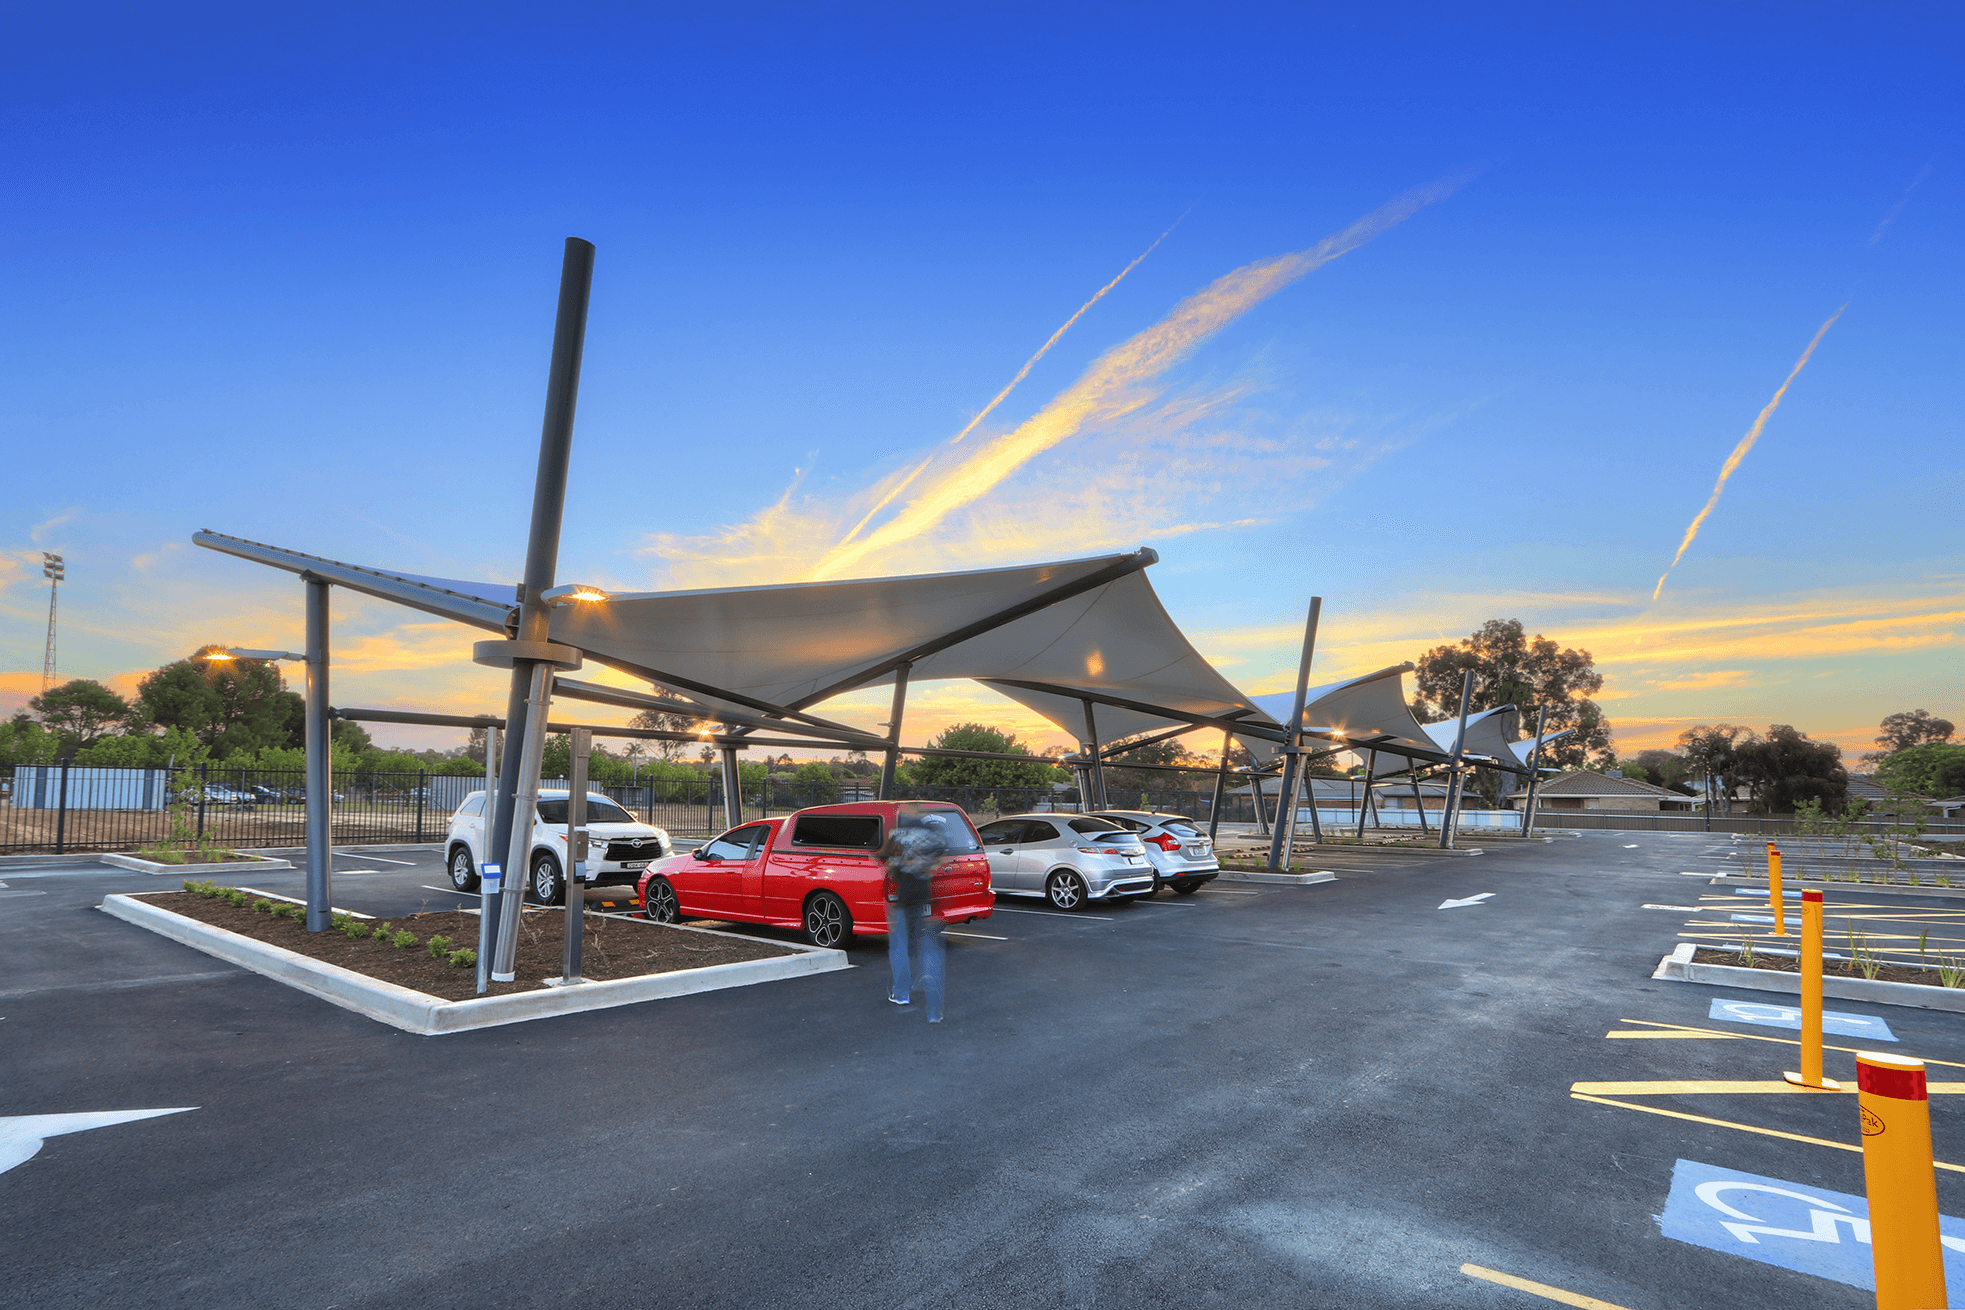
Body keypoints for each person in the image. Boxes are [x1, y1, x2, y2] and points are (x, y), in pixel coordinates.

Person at [879, 804, 949, 1022]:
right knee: (919, 939)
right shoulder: (931, 837)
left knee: (899, 942)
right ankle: (929, 992)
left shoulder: (899, 834)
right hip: (922, 890)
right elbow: (940, 855)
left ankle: (901, 994)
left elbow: (882, 855)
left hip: (906, 892)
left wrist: (897, 861)